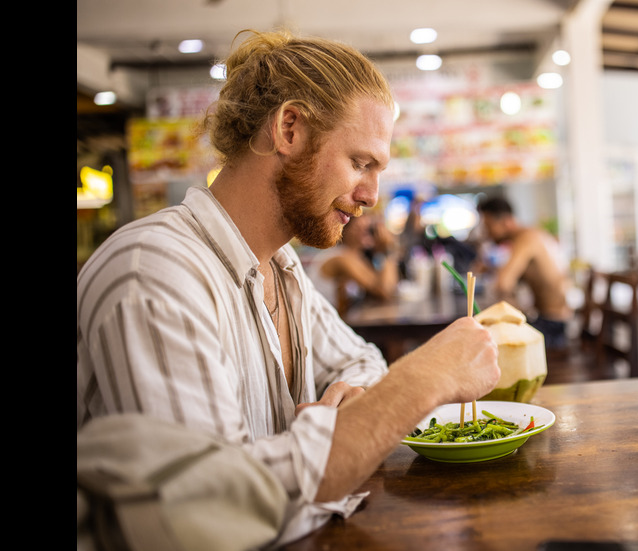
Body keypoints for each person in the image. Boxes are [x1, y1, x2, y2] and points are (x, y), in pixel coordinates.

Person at [76, 29, 500, 543]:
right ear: (290, 129)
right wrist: (423, 380)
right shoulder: (153, 272)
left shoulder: (280, 266)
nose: (371, 195)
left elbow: (360, 360)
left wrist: (348, 420)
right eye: (360, 163)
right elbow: (205, 515)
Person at [475, 196, 572, 347]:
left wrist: (518, 317)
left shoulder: (526, 239)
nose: (487, 233)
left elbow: (502, 284)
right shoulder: (532, 234)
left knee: (488, 344)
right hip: (553, 321)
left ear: (506, 221)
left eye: (488, 226)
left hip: (552, 326)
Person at [309, 211, 400, 314]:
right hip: (322, 323)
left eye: (369, 229)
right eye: (360, 228)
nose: (367, 233)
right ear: (345, 229)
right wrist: (387, 250)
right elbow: (384, 291)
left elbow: (390, 288)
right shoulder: (340, 257)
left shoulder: (358, 257)